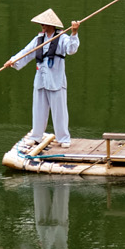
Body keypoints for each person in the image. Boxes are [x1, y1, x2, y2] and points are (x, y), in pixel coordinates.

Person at [9, 8, 80, 146]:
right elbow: (26, 52)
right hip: (40, 79)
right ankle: (36, 136)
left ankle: (63, 138)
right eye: (41, 23)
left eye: (45, 23)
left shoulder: (62, 38)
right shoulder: (38, 40)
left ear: (52, 25)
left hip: (56, 80)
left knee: (60, 111)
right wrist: (12, 61)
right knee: (38, 110)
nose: (42, 25)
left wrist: (74, 32)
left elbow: (71, 49)